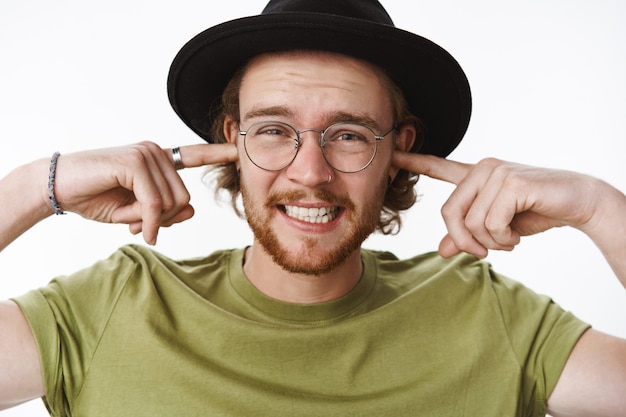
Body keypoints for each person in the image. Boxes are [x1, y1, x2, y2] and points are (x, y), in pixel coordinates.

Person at [1, 0, 625, 415]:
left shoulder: (487, 313)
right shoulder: (117, 302)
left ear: (398, 152)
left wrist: (598, 207)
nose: (311, 172)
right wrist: (37, 184)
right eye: (273, 130)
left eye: (349, 135)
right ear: (231, 141)